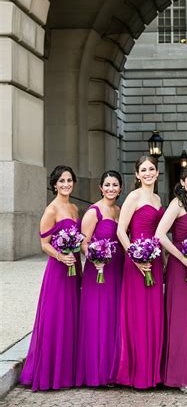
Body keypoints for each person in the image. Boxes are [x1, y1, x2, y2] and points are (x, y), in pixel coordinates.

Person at [20, 165, 81, 391]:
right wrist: (60, 256)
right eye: (62, 181)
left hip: (74, 270)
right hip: (58, 270)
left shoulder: (74, 208)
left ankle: (67, 372)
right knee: (56, 318)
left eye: (69, 180)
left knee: (70, 317)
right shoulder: (52, 209)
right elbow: (44, 244)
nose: (66, 184)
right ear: (54, 184)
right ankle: (50, 373)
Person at [112, 155, 165, 389]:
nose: (147, 173)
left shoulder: (157, 197)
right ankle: (136, 373)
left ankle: (152, 372)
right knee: (137, 314)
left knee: (153, 314)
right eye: (143, 169)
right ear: (136, 174)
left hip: (154, 259)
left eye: (151, 169)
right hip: (136, 261)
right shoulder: (134, 197)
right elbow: (121, 231)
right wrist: (134, 255)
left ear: (157, 172)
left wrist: (159, 258)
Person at [157, 163, 187, 388]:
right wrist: (182, 258)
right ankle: (176, 374)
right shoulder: (177, 204)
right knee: (178, 315)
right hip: (179, 266)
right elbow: (160, 235)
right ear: (183, 183)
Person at [75, 170, 123, 387]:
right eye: (107, 185)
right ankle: (95, 372)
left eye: (115, 185)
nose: (111, 189)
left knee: (113, 317)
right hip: (99, 271)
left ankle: (112, 370)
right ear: (101, 188)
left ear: (120, 188)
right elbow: (83, 242)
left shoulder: (120, 211)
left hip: (116, 270)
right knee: (97, 317)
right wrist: (94, 258)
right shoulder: (94, 211)